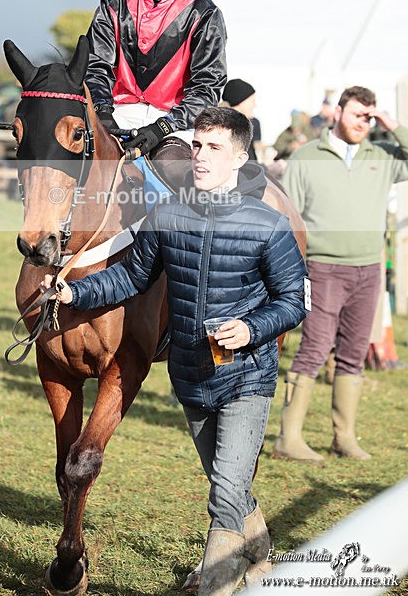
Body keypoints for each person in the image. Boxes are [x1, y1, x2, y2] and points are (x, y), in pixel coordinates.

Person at [44, 107, 307, 595]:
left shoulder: (269, 224)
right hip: (191, 373)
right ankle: (263, 558)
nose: (202, 157)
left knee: (224, 492)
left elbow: (294, 301)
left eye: (214, 148)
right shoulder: (166, 217)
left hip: (247, 373)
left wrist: (251, 330)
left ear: (240, 157)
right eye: (198, 146)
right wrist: (75, 294)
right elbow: (131, 277)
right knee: (228, 484)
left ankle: (213, 584)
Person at [273, 86, 408, 462]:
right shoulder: (305, 157)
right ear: (338, 112)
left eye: (369, 117)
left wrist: (391, 123)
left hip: (368, 269)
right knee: (314, 349)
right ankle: (289, 439)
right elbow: (290, 218)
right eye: (356, 115)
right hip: (322, 267)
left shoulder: (382, 155)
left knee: (352, 354)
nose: (362, 123)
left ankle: (344, 438)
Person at [85, 0, 227, 184]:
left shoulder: (205, 13)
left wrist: (162, 127)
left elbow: (207, 88)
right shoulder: (112, 4)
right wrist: (102, 113)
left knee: (175, 170)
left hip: (176, 124)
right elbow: (95, 68)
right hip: (114, 114)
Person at [220, 78, 261, 160]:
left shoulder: (241, 127)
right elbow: (247, 168)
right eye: (252, 101)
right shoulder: (228, 132)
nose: (255, 105)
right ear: (240, 102)